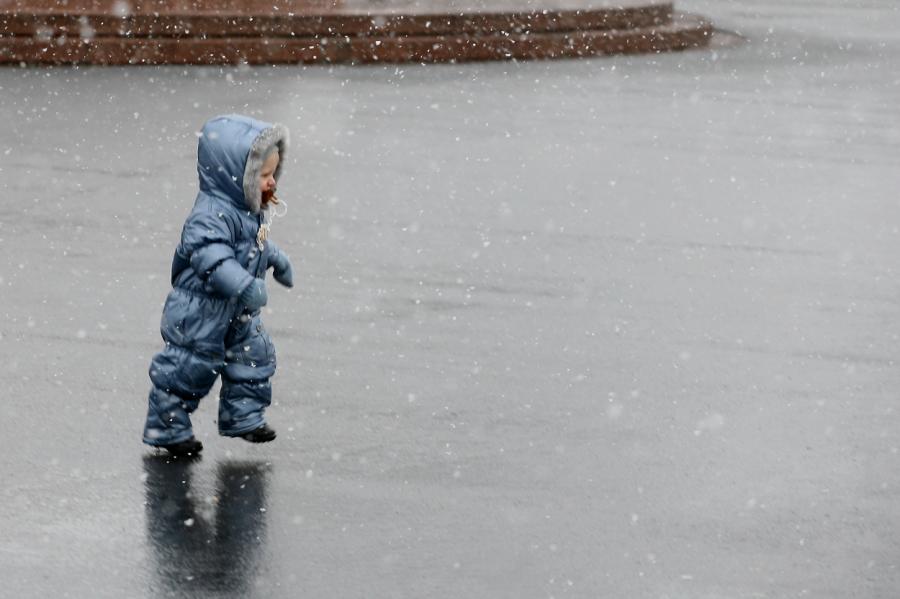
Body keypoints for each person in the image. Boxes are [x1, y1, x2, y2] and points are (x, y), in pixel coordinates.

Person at [142, 114, 293, 456]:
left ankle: (244, 416)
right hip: (200, 309)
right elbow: (210, 256)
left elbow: (254, 245)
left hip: (238, 310)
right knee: (189, 368)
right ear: (235, 175)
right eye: (264, 175)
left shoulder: (248, 210)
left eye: (273, 174)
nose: (271, 183)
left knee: (253, 357)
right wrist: (241, 284)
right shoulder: (209, 214)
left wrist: (276, 258)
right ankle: (167, 426)